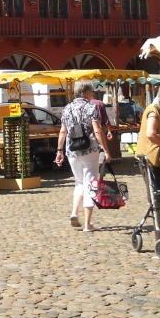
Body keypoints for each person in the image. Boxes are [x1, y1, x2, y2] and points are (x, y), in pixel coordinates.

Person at [54, 80, 110, 232]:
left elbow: (63, 132)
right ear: (86, 93)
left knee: (79, 182)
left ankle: (74, 213)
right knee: (90, 183)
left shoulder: (67, 108)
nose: (92, 95)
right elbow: (97, 131)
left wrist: (59, 151)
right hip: (89, 150)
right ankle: (87, 224)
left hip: (72, 151)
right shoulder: (92, 107)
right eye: (91, 92)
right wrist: (106, 150)